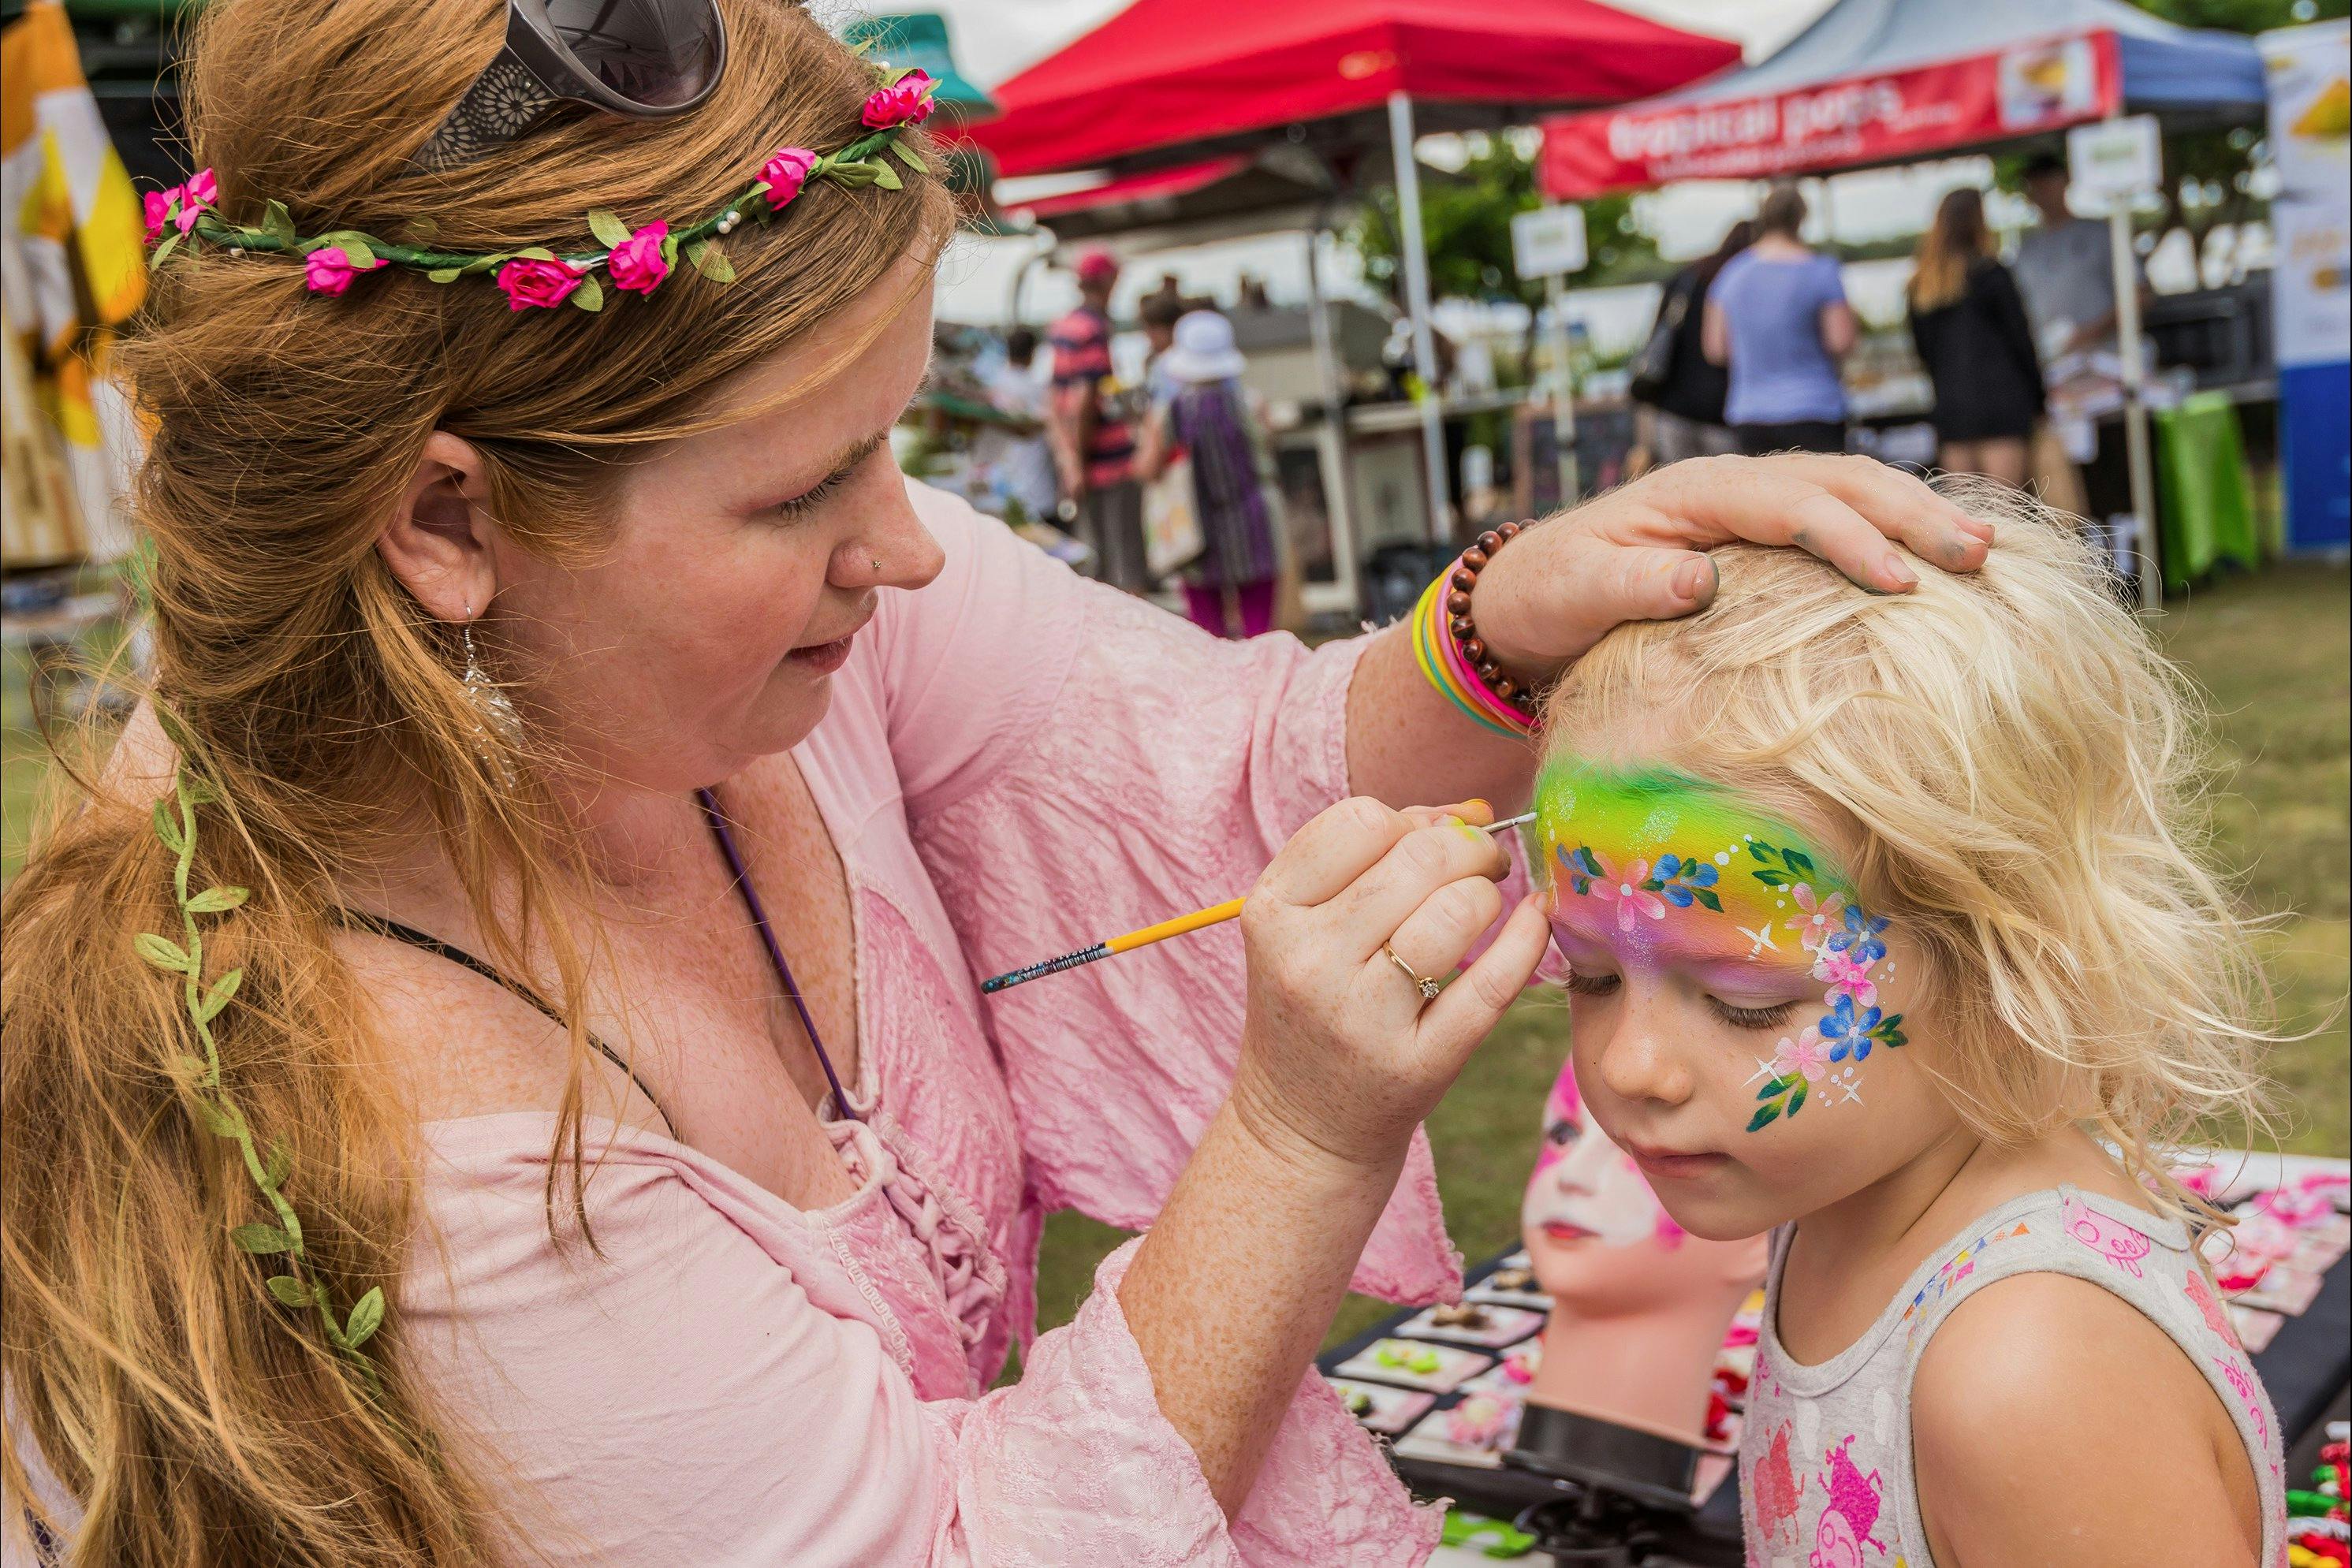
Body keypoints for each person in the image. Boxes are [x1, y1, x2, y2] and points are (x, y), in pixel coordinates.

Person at [0, 0, 1994, 1561]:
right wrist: (1293, 1146)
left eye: (901, 440)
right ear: (444, 519)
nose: (911, 544)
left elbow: (1212, 765)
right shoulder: (411, 1142)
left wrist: (1503, 628)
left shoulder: (694, 648)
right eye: (806, 489)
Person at [1534, 486, 2287, 1566]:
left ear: (2002, 954)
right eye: (1590, 974)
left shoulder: (2028, 1374)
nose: (1626, 1064)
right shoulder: (1843, 1181)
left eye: (1747, 1003)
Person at [1133, 310, 1282, 639]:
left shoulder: (1168, 413)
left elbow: (1147, 468)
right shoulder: (1251, 403)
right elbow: (1268, 448)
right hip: (1253, 525)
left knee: (1207, 634)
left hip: (1195, 530)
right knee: (1260, 633)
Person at [1907, 188, 2046, 487]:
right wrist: (2040, 400)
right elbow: (2021, 342)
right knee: (2004, 508)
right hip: (2002, 403)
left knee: (1965, 514)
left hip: (1953, 407)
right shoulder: (1992, 273)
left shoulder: (1921, 286)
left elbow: (1924, 353)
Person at [1703, 184, 1857, 456]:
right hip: (1815, 408)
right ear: (1802, 218)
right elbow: (1841, 341)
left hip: (1751, 413)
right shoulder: (1821, 271)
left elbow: (1716, 350)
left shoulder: (1731, 275)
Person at [1046, 247, 1149, 593]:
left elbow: (1055, 399)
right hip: (1108, 462)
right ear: (1107, 281)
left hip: (1080, 461)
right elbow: (1083, 399)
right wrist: (1077, 460)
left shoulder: (1063, 326)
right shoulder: (1092, 328)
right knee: (1126, 562)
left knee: (1094, 562)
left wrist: (1066, 459)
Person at [1633, 219, 1750, 466]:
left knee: (1686, 498)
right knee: (1728, 497)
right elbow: (1721, 350)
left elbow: (1657, 337)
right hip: (1721, 411)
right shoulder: (1740, 283)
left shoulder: (1685, 279)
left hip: (1673, 409)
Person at [2013, 150, 2138, 363]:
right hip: (2052, 365)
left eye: (2047, 179)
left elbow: (2139, 294)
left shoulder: (2099, 234)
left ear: (2064, 181)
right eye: (2034, 182)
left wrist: (2091, 332)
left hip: (2105, 359)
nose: (2041, 189)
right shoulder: (2026, 249)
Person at [971, 326, 1059, 525]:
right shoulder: (1036, 388)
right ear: (1032, 354)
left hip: (1004, 487)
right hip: (1037, 487)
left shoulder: (996, 384)